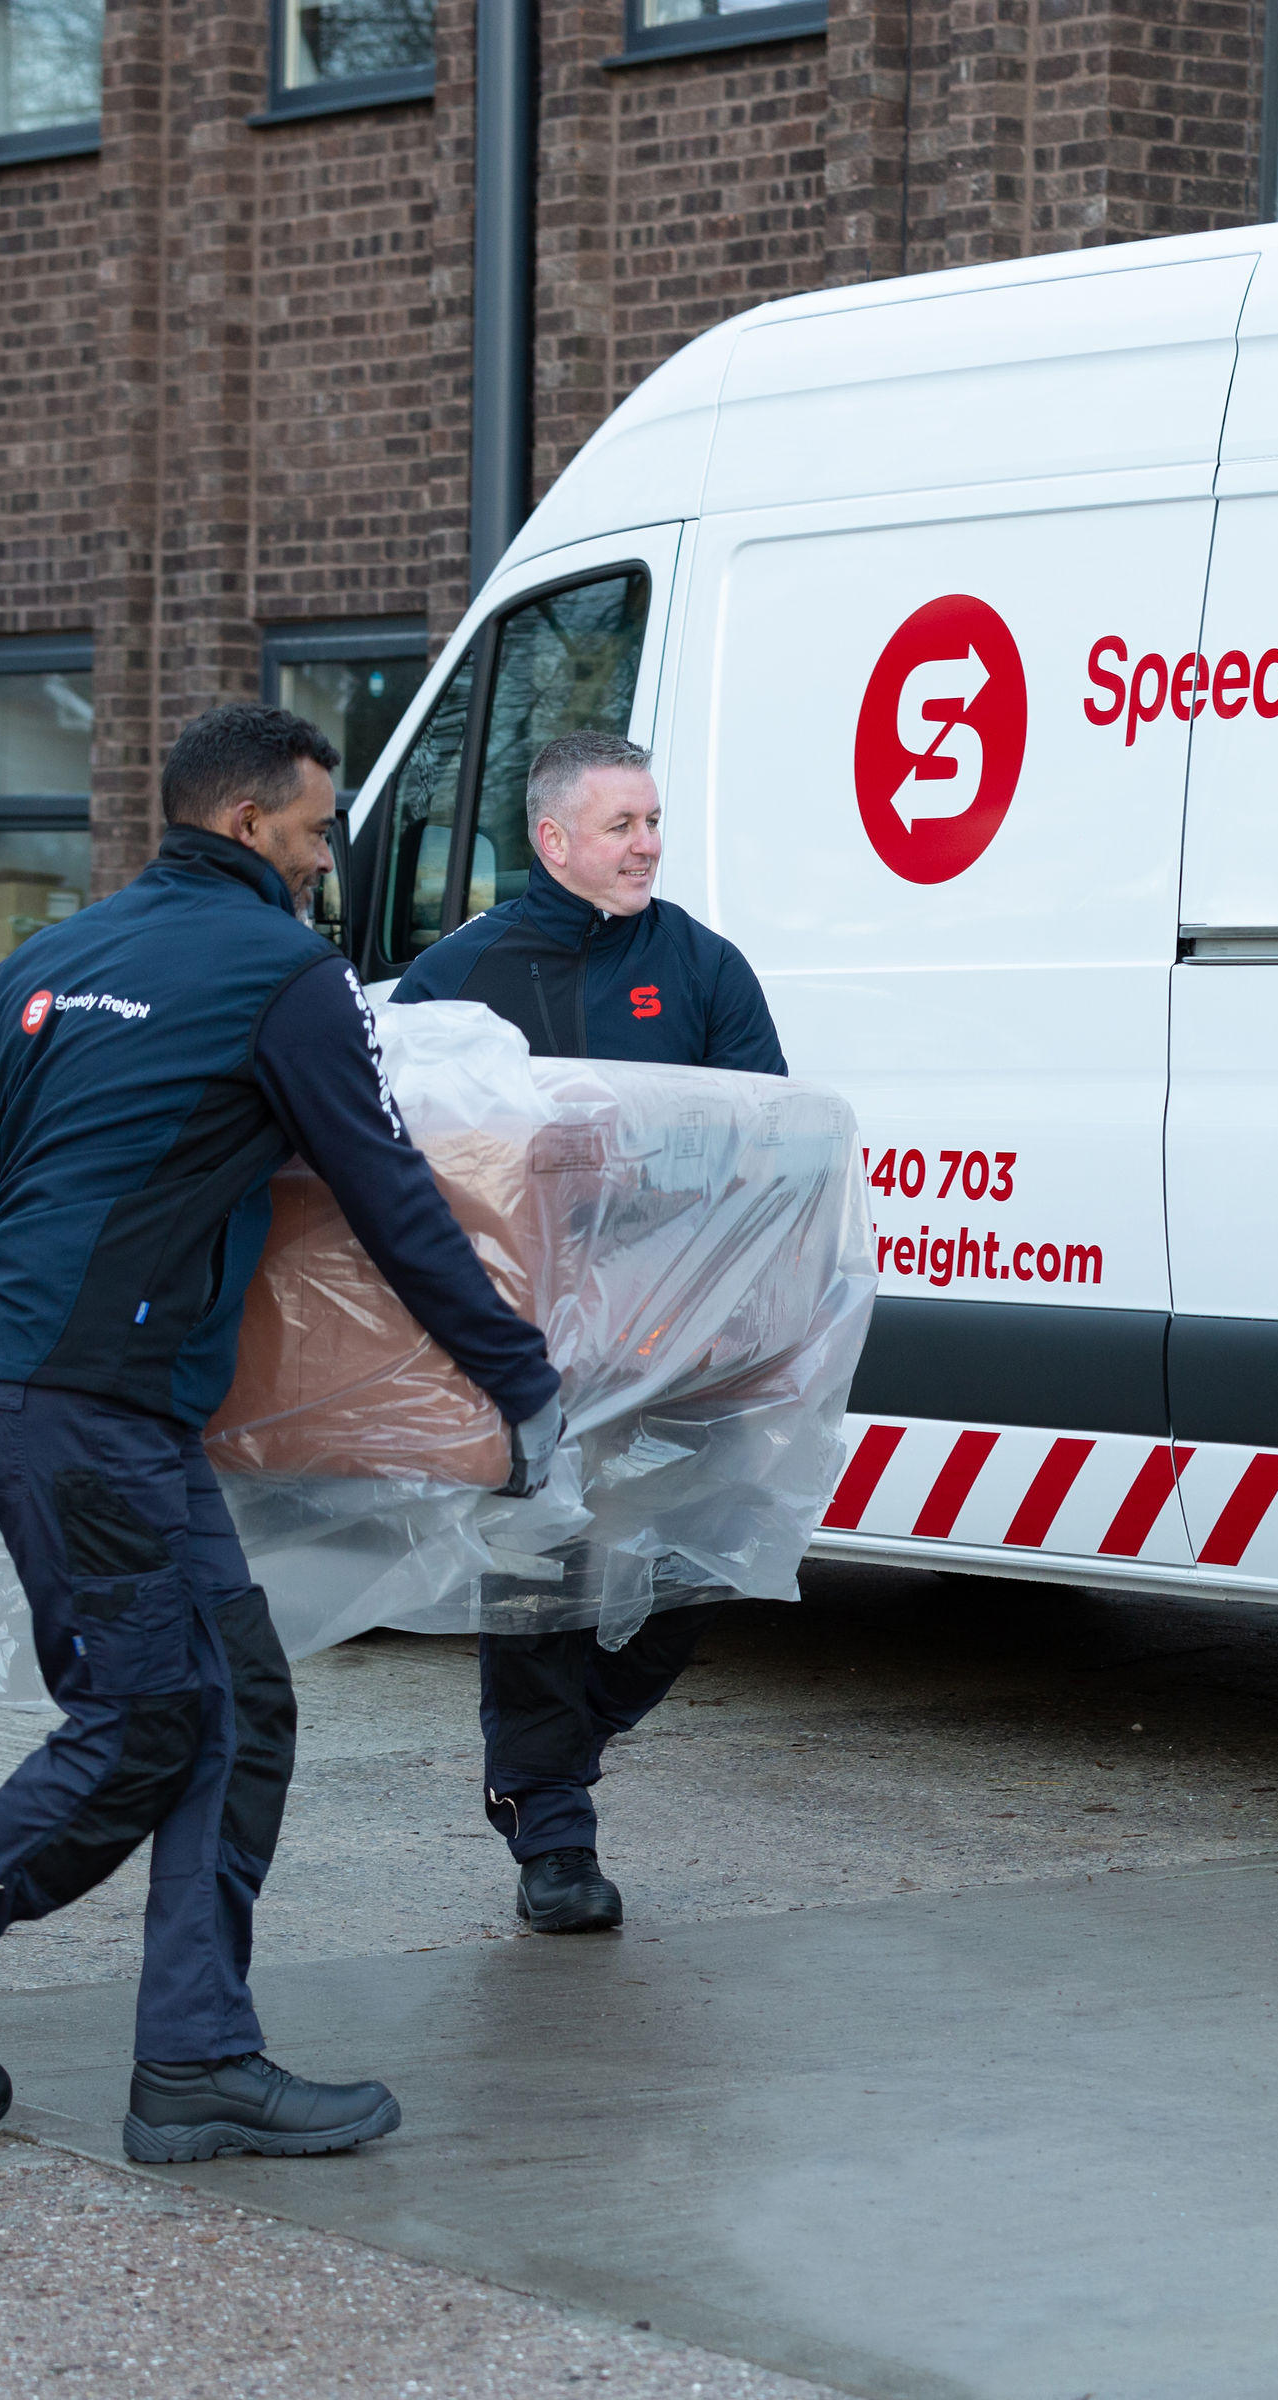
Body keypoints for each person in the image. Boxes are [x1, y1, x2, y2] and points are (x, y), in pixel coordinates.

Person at [0, 702, 564, 2162]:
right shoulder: (284, 971)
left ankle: (198, 2064)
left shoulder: (57, 959)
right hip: (86, 1411)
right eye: (318, 828)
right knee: (146, 1724)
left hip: (52, 1399)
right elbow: (391, 1194)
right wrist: (516, 1376)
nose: (329, 855)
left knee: (235, 1706)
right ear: (247, 825)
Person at [393, 727, 785, 1936]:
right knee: (538, 1579)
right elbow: (399, 1148)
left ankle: (569, 1738)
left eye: (654, 821)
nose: (648, 844)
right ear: (554, 838)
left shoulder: (705, 968)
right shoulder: (456, 980)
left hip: (682, 1333)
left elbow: (769, 1142)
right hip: (524, 1342)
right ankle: (551, 1824)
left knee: (713, 1553)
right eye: (623, 825)